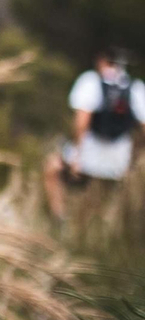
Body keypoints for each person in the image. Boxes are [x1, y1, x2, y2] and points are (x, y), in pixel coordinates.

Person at [42, 47, 145, 221]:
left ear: (102, 61)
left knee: (52, 168)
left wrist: (76, 156)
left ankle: (59, 219)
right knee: (104, 197)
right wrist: (135, 161)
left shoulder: (90, 81)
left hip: (87, 158)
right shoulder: (136, 88)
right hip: (119, 163)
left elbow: (82, 121)